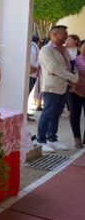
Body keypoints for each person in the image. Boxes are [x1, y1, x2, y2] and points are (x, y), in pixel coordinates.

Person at [36, 25, 79, 153]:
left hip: (63, 86)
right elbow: (54, 68)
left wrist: (74, 76)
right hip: (51, 87)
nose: (66, 36)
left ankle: (52, 139)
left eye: (66, 33)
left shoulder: (64, 49)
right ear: (53, 35)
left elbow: (71, 65)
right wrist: (74, 78)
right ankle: (40, 140)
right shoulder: (46, 50)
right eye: (63, 34)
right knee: (47, 114)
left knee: (56, 114)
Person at [66, 40, 85, 149]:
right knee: (75, 115)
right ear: (80, 47)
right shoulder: (74, 60)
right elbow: (69, 75)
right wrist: (75, 89)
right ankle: (77, 139)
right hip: (75, 93)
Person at [28, 35, 41, 121]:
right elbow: (32, 59)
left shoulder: (33, 46)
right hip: (30, 73)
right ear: (39, 41)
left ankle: (25, 112)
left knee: (27, 95)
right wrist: (33, 67)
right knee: (26, 94)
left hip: (32, 73)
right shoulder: (33, 46)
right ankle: (24, 113)